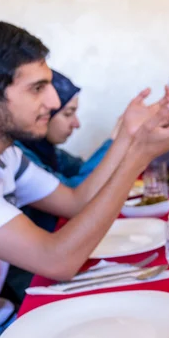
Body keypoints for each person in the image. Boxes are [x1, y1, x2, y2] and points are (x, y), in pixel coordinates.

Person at [0, 19, 169, 338]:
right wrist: (138, 154)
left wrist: (127, 135)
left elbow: (76, 202)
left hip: (0, 314)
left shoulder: (6, 156)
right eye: (37, 88)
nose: (53, 101)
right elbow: (58, 259)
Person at [15, 70, 113, 232]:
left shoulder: (49, 152)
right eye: (68, 114)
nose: (76, 123)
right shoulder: (16, 154)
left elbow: (83, 173)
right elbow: (75, 195)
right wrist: (118, 141)